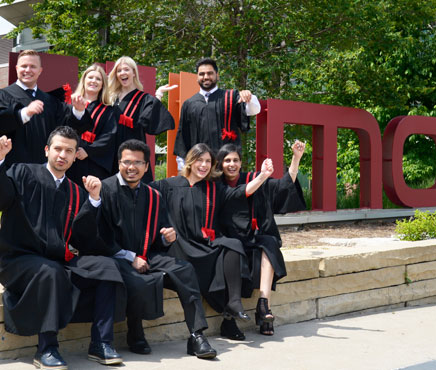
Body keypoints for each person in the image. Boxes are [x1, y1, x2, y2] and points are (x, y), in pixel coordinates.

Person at [0, 127, 126, 369]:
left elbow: (83, 240)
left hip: (57, 260)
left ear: (75, 154)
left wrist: (94, 201)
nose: (62, 155)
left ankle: (101, 342)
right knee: (51, 271)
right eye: (57, 148)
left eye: (69, 151)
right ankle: (46, 348)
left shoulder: (77, 193)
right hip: (18, 260)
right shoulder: (23, 173)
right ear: (47, 150)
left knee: (107, 267)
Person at [96, 139, 216, 359]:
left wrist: (167, 238)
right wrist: (131, 257)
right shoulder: (106, 189)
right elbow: (101, 236)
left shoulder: (153, 195)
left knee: (185, 270)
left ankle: (197, 335)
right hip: (116, 256)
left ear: (146, 166)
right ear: (119, 162)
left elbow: (160, 233)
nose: (131, 167)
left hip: (149, 255)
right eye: (127, 162)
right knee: (137, 280)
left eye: (137, 163)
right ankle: (135, 332)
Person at [150, 143, 273, 341]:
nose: (204, 165)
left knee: (233, 247)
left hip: (204, 245)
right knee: (213, 265)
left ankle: (233, 305)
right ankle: (229, 320)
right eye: (200, 160)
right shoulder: (168, 185)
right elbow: (141, 192)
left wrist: (263, 176)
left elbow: (241, 192)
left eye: (208, 161)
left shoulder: (214, 188)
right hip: (179, 247)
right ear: (190, 161)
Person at [216, 141, 307, 336]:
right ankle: (262, 314)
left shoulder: (250, 177)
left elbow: (284, 185)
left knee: (269, 243)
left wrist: (295, 159)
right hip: (230, 240)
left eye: (236, 160)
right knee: (248, 249)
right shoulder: (217, 185)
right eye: (227, 160)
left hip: (252, 238)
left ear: (241, 163)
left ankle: (264, 305)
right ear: (220, 164)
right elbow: (243, 192)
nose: (232, 164)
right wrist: (263, 176)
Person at [0, 49, 90, 166]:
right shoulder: (3, 95)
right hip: (13, 168)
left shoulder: (50, 101)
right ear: (16, 69)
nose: (28, 70)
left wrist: (79, 111)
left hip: (44, 168)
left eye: (33, 67)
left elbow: (67, 128)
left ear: (40, 71)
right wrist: (25, 113)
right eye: (24, 66)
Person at [173, 58, 261, 169]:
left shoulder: (231, 97)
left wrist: (250, 97)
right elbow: (183, 136)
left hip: (226, 165)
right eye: (202, 74)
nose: (206, 77)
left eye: (210, 73)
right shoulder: (189, 104)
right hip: (200, 166)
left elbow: (253, 111)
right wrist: (182, 166)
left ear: (217, 75)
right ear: (197, 77)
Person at [106, 56, 175, 183]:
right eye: (119, 70)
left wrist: (158, 95)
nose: (123, 73)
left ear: (133, 72)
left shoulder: (143, 99)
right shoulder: (110, 98)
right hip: (111, 154)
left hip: (134, 153)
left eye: (126, 69)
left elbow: (149, 120)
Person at [65, 64, 118, 183]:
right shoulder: (69, 104)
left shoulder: (108, 110)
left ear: (103, 84)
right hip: (68, 160)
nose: (94, 81)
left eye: (98, 79)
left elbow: (109, 136)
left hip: (93, 163)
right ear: (83, 80)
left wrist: (88, 151)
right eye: (90, 77)